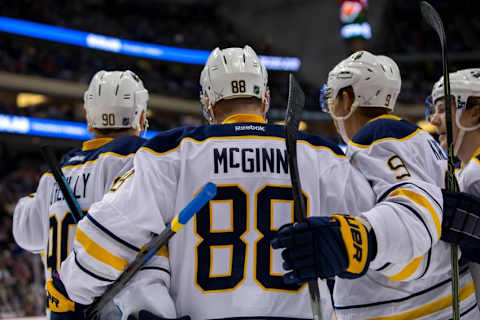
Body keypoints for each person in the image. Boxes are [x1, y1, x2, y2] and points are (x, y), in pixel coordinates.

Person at [46, 45, 376, 320]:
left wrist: (70, 288)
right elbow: (373, 237)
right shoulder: (321, 154)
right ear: (264, 99)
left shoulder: (171, 152)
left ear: (208, 102)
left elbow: (106, 237)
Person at [273, 51, 478, 319]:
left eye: (332, 100)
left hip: (403, 308)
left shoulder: (374, 137)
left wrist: (354, 242)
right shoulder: (420, 138)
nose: (333, 113)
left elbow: (415, 226)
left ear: (347, 99)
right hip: (451, 299)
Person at [12, 70, 150, 319]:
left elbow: (24, 234)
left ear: (89, 118)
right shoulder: (141, 160)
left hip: (60, 312)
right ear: (140, 118)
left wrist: (36, 200)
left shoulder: (55, 175)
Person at [426, 68, 480, 308]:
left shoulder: (473, 177)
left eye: (441, 110)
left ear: (474, 113)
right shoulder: (466, 173)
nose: (433, 119)